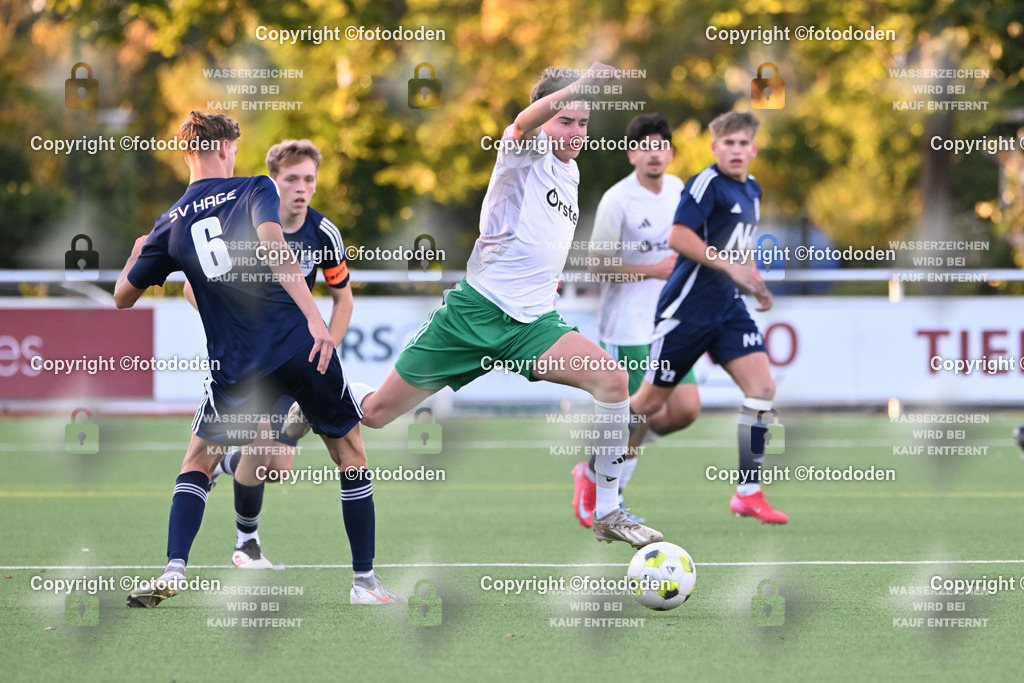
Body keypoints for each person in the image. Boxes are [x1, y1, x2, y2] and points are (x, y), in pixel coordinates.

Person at [355, 63, 664, 548]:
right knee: (375, 414)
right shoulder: (525, 149)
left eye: (583, 123)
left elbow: (540, 233)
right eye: (565, 120)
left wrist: (547, 277)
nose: (576, 132)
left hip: (533, 326)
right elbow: (523, 124)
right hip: (474, 315)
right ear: (545, 118)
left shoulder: (571, 171)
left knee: (612, 380)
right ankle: (317, 398)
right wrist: (582, 85)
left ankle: (607, 510)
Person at [115, 111, 403, 607]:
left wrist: (137, 252)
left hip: (235, 365)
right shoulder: (253, 187)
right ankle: (365, 582)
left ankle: (174, 567)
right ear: (223, 148)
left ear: (185, 154)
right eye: (232, 148)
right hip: (296, 346)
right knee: (349, 453)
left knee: (197, 462)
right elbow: (275, 249)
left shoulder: (169, 223)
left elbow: (122, 297)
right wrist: (314, 317)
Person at [183, 139, 354, 569]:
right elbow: (190, 287)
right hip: (248, 362)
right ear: (272, 181)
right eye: (292, 179)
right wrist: (233, 326)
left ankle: (224, 463)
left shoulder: (323, 232)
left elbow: (343, 299)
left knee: (275, 468)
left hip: (294, 357)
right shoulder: (244, 223)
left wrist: (326, 348)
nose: (302, 188)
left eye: (309, 179)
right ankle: (246, 544)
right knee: (260, 445)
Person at [628, 110, 788, 524]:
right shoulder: (706, 184)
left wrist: (753, 280)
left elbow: (739, 246)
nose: (736, 150)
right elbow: (679, 236)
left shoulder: (752, 189)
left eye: (743, 143)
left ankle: (748, 493)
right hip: (687, 310)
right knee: (648, 403)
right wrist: (730, 267)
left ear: (754, 149)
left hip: (728, 309)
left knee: (762, 388)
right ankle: (595, 473)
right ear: (715, 147)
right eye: (728, 143)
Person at [572, 113, 701, 528]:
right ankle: (609, 495)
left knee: (685, 409)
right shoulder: (618, 200)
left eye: (660, 146)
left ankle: (598, 464)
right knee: (636, 413)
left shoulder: (680, 191)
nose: (654, 153)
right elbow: (596, 266)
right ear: (632, 155)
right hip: (627, 327)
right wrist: (651, 270)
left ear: (671, 152)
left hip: (670, 324)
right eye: (645, 147)